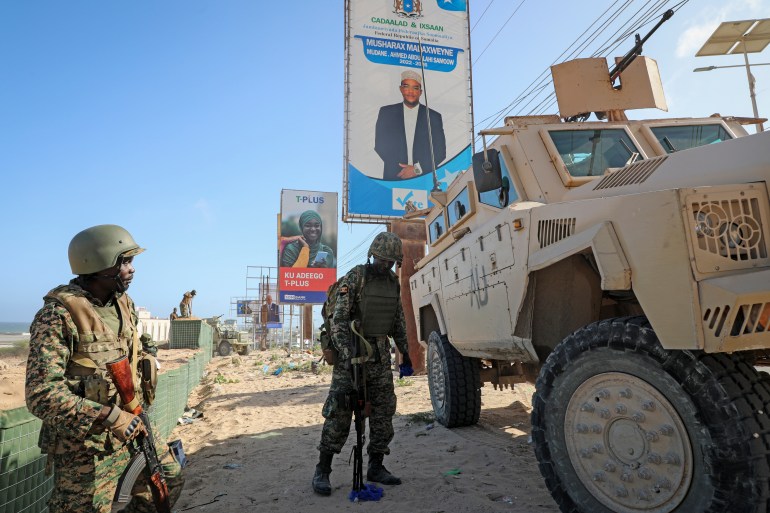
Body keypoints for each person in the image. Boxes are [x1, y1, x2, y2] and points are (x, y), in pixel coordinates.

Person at [25, 224, 183, 513]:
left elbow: (134, 340)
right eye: (125, 262)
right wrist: (108, 416)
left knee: (170, 477)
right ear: (98, 264)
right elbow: (41, 394)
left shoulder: (124, 303)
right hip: (84, 448)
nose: (132, 269)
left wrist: (148, 355)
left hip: (135, 422)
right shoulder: (58, 315)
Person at [312, 232, 413, 496]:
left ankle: (376, 466)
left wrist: (405, 353)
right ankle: (323, 470)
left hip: (379, 356)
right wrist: (348, 354)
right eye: (381, 260)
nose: (385, 266)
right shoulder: (356, 277)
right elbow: (339, 320)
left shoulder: (392, 282)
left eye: (389, 262)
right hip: (352, 355)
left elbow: (398, 321)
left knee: (383, 411)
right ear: (372, 256)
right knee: (340, 411)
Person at [374, 70, 446, 181]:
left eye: (415, 88)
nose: (410, 92)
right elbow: (380, 145)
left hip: (425, 179)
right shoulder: (386, 113)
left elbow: (440, 152)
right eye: (406, 87)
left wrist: (416, 169)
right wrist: (403, 170)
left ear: (421, 92)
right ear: (401, 89)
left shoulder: (433, 116)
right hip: (394, 178)